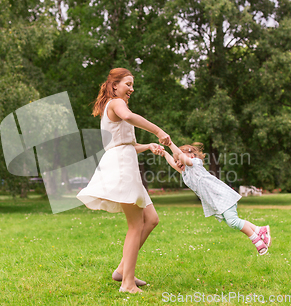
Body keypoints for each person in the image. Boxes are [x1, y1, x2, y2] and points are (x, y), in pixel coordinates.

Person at [77, 68, 171, 293]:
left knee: (151, 219)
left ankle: (122, 270)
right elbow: (129, 117)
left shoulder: (116, 105)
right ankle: (127, 283)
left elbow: (125, 144)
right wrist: (158, 131)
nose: (131, 88)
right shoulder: (116, 103)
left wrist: (147, 146)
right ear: (115, 84)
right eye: (128, 84)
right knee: (135, 224)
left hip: (126, 162)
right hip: (121, 167)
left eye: (132, 84)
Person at [161, 142, 272, 255]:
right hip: (216, 202)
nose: (178, 162)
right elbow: (173, 163)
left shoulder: (194, 164)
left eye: (179, 159)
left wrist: (169, 144)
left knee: (233, 221)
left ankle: (256, 240)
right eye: (176, 161)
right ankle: (260, 230)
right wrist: (164, 153)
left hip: (222, 196)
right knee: (232, 222)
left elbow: (180, 156)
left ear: (192, 156)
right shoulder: (185, 173)